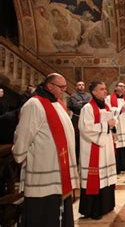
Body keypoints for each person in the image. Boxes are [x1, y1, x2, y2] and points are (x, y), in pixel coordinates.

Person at [12, 73, 79, 227]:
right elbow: (24, 134)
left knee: (58, 212)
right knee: (44, 214)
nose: (64, 90)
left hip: (59, 168)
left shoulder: (57, 103)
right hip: (43, 170)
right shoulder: (33, 105)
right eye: (61, 87)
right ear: (50, 86)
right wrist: (19, 154)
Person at [78, 81, 116, 220]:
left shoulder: (106, 106)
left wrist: (112, 125)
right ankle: (93, 209)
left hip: (106, 147)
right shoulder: (87, 108)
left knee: (106, 177)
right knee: (95, 178)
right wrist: (107, 125)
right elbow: (85, 128)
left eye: (105, 88)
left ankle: (106, 206)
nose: (105, 91)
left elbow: (109, 124)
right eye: (101, 89)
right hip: (93, 147)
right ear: (93, 92)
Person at [105, 82, 125, 173]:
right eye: (120, 86)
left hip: (124, 123)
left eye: (124, 86)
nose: (122, 88)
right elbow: (108, 110)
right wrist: (120, 109)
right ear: (116, 87)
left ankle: (124, 164)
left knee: (124, 145)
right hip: (116, 123)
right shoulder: (109, 98)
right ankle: (117, 166)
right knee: (117, 145)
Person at [67, 80, 92, 162]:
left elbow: (90, 105)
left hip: (87, 118)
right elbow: (76, 106)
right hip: (76, 119)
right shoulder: (73, 95)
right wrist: (84, 103)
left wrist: (81, 102)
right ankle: (77, 159)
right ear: (76, 87)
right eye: (79, 85)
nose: (81, 86)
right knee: (77, 139)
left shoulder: (88, 95)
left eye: (82, 85)